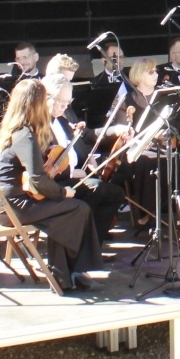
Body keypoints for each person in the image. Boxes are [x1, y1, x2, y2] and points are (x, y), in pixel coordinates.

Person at [0, 78, 99, 292]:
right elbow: (37, 179)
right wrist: (62, 192)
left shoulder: (21, 129)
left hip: (15, 201)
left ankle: (66, 274)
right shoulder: (24, 134)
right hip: (14, 206)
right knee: (78, 208)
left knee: (66, 214)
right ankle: (67, 273)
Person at [44, 73, 125, 255]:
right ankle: (80, 248)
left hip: (75, 174)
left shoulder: (61, 119)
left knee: (115, 192)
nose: (65, 107)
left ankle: (90, 247)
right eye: (60, 102)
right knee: (97, 190)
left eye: (67, 102)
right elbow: (45, 165)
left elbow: (80, 141)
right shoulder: (40, 125)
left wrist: (88, 159)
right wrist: (72, 172)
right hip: (57, 183)